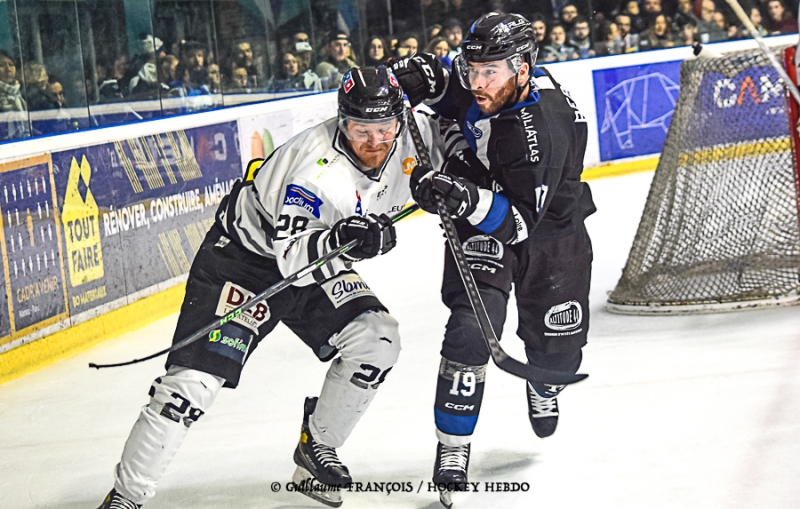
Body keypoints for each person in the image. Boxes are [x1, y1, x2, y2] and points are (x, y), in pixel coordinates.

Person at [94, 65, 443, 509]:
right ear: (342, 121)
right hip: (245, 264)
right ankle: (127, 496)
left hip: (316, 258)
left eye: (385, 128)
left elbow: (465, 123)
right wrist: (347, 241)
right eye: (360, 129)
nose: (375, 142)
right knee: (192, 386)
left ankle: (316, 450)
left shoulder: (413, 130)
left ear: (401, 117)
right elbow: (294, 261)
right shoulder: (316, 172)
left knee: (377, 339)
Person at [392, 11, 594, 502]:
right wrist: (421, 76)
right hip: (482, 207)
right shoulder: (487, 77)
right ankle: (453, 447)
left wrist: (461, 195)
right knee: (470, 329)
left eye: (490, 72)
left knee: (559, 352)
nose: (478, 81)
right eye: (473, 67)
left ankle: (545, 382)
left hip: (548, 228)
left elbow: (520, 223)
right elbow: (448, 86)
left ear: (522, 69)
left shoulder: (540, 130)